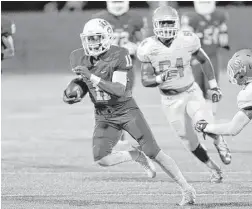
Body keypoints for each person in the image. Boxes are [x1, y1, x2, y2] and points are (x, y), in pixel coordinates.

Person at [63, 18, 196, 206]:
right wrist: (74, 93)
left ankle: (186, 189)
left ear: (107, 37)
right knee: (102, 159)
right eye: (89, 39)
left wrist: (90, 76)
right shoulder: (79, 57)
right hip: (103, 114)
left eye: (97, 38)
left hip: (125, 110)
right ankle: (135, 155)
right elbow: (83, 83)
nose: (92, 43)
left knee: (154, 151)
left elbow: (118, 89)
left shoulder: (119, 54)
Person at [137, 6, 232, 183]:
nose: (166, 26)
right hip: (170, 100)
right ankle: (213, 168)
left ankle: (218, 139)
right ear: (155, 25)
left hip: (190, 92)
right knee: (189, 141)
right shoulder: (148, 47)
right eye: (162, 23)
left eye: (169, 22)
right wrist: (160, 78)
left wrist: (213, 85)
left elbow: (204, 59)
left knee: (202, 123)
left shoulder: (187, 39)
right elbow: (145, 80)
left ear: (177, 23)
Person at [93, 1, 146, 144]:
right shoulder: (99, 19)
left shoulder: (134, 18)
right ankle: (112, 133)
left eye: (120, 1)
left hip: (125, 67)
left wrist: (135, 47)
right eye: (114, 1)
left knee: (122, 101)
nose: (117, 4)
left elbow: (144, 44)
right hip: (105, 67)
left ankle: (118, 136)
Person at [195, 49, 252, 136]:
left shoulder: (251, 93)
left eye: (234, 70)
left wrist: (206, 127)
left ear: (243, 73)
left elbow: (232, 129)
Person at [181, 1, 230, 114]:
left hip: (211, 56)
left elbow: (223, 37)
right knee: (196, 86)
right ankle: (199, 113)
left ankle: (209, 114)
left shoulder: (219, 16)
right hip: (196, 56)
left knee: (211, 86)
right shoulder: (191, 17)